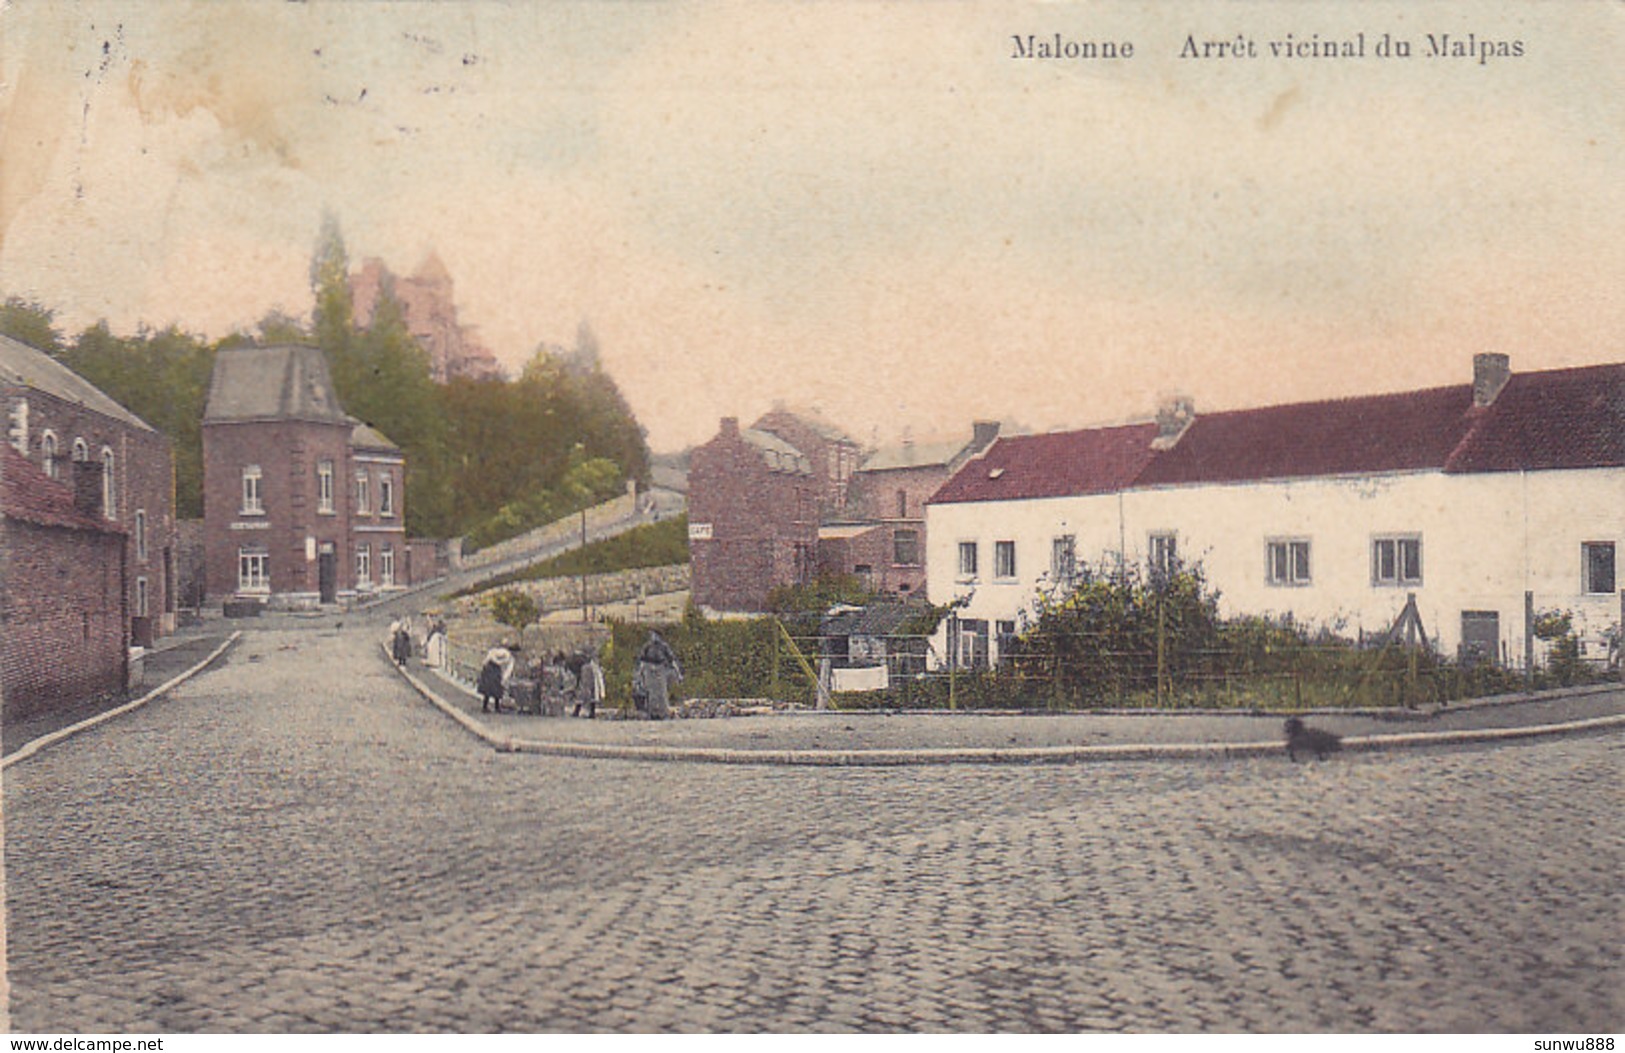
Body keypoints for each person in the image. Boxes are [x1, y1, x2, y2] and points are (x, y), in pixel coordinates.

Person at [634, 630, 681, 720]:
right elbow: (641, 660)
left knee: (661, 692)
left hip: (660, 669)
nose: (653, 637)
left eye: (655, 635)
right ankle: (652, 712)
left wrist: (677, 673)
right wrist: (639, 673)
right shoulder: (647, 646)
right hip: (649, 669)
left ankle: (663, 713)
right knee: (650, 691)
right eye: (652, 635)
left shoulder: (663, 647)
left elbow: (671, 659)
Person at [478, 642, 516, 713]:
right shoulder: (505, 653)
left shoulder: (509, 657)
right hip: (492, 668)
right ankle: (491, 707)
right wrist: (497, 661)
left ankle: (494, 707)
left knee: (493, 688)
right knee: (493, 688)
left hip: (492, 668)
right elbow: (492, 654)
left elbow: (507, 670)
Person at [570, 650, 605, 719]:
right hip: (588, 685)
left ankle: (582, 712)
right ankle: (581, 712)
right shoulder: (592, 667)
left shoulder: (588, 667)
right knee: (586, 698)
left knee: (585, 698)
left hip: (588, 685)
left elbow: (595, 678)